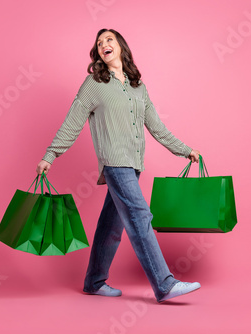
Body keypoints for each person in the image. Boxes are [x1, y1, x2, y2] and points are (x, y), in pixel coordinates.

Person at [36, 28, 201, 303]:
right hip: (115, 164)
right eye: (99, 43)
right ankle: (165, 284)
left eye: (109, 39)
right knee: (140, 217)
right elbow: (73, 121)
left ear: (121, 45)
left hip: (133, 165)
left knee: (111, 227)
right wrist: (50, 155)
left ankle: (94, 282)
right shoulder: (94, 84)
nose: (103, 45)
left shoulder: (139, 88)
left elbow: (157, 128)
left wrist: (184, 150)